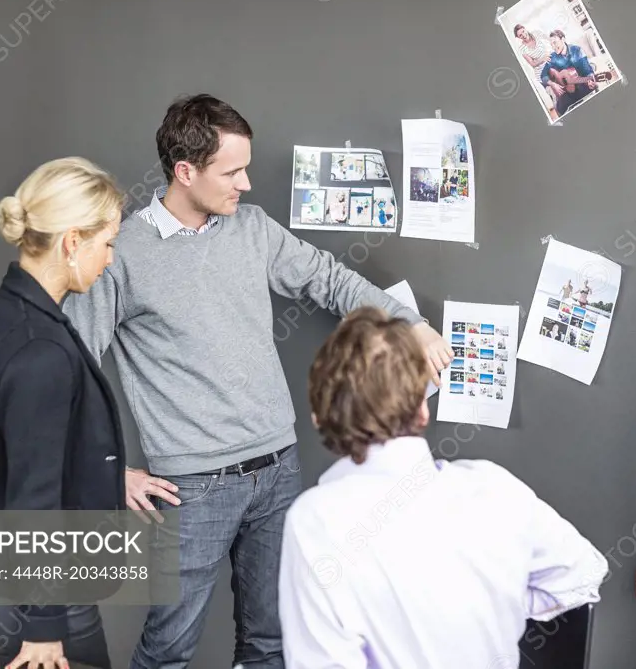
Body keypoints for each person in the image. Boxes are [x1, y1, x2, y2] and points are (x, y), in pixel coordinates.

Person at [60, 93, 452, 669]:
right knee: (169, 649)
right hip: (191, 489)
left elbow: (330, 281)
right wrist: (108, 471)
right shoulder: (121, 253)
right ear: (185, 171)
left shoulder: (253, 228)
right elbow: (66, 369)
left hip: (278, 472)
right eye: (232, 171)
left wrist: (410, 326)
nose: (245, 183)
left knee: (271, 642)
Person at [279, 307, 608, 669]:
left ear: (320, 416)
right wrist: (498, 602)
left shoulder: (314, 521)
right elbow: (583, 575)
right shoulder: (495, 488)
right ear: (422, 409)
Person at [0, 157, 127, 669]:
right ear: (72, 241)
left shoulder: (7, 310)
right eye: (107, 243)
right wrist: (44, 627)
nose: (110, 259)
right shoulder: (40, 351)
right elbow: (35, 496)